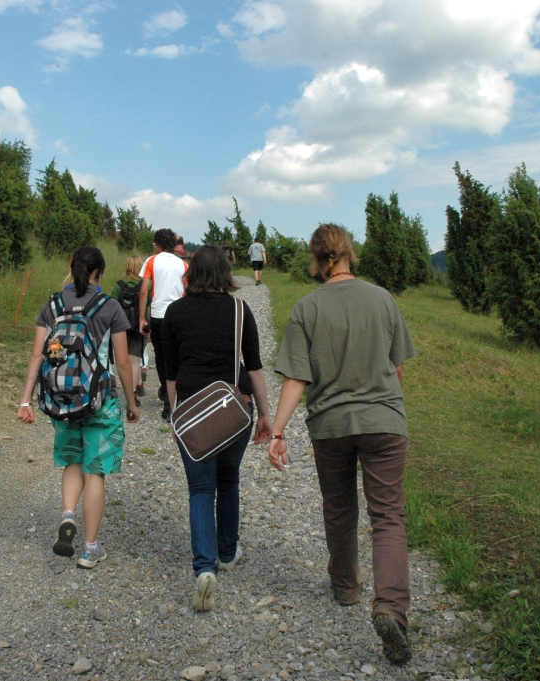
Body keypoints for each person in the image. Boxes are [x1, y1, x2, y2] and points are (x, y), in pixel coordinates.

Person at [267, 224, 416, 664]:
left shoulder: (306, 308)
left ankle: (347, 587)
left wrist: (277, 432)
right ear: (350, 253)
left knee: (339, 507)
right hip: (384, 422)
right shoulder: (382, 298)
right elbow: (397, 368)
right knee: (387, 515)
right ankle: (390, 607)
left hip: (330, 425)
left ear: (317, 260)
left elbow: (296, 377)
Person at [162, 245, 272, 612]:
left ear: (192, 272)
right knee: (228, 480)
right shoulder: (240, 309)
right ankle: (227, 552)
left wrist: (176, 416)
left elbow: (170, 373)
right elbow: (254, 367)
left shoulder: (175, 312)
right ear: (225, 273)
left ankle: (204, 568)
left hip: (193, 414)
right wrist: (265, 415)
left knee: (200, 488)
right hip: (234, 411)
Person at [17, 246, 141, 569]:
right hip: (100, 399)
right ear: (100, 272)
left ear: (71, 268)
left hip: (63, 398)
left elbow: (37, 355)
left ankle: (68, 514)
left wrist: (26, 400)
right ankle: (89, 549)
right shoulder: (109, 306)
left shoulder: (52, 305)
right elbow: (122, 362)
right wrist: (131, 402)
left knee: (72, 460)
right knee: (94, 470)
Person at [139, 228, 188, 421]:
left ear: (158, 244)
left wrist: (142, 317)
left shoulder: (151, 261)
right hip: (179, 314)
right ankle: (177, 396)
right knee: (177, 354)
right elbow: (187, 289)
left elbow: (144, 290)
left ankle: (167, 395)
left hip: (159, 315)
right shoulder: (183, 264)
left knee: (161, 356)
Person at [110, 255, 148, 403]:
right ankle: (133, 394)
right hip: (140, 327)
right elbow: (149, 305)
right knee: (135, 360)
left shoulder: (119, 285)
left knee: (124, 361)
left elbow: (112, 305)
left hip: (122, 327)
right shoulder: (145, 285)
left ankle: (136, 386)